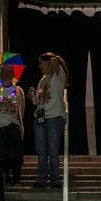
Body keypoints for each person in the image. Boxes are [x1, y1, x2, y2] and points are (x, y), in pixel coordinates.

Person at [30, 53, 68, 189]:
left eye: (41, 63)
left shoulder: (58, 76)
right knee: (41, 151)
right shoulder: (42, 80)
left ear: (49, 63)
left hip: (55, 117)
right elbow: (38, 101)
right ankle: (41, 178)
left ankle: (54, 179)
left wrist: (52, 59)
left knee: (53, 150)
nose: (39, 66)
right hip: (40, 117)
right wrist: (33, 96)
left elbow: (55, 62)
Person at [0, 70, 28, 192]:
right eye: (4, 71)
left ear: (13, 74)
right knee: (1, 156)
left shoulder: (18, 90)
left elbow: (22, 108)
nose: (6, 73)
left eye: (9, 71)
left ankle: (16, 180)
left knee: (16, 156)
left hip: (13, 126)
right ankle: (4, 180)